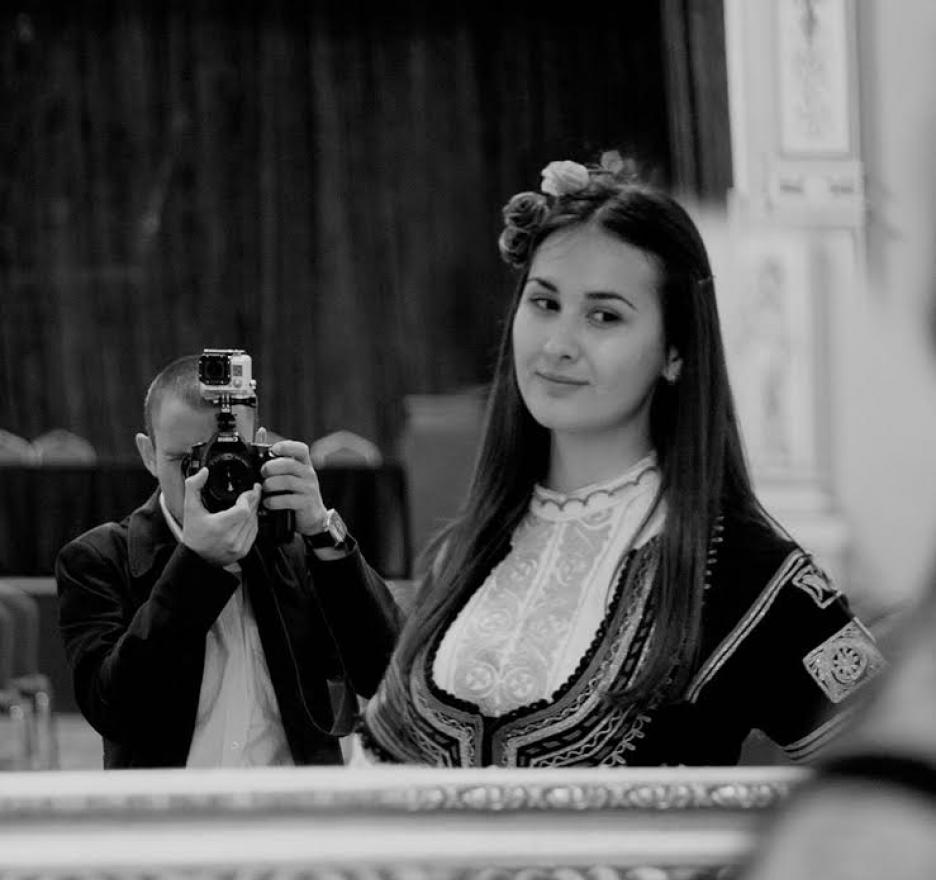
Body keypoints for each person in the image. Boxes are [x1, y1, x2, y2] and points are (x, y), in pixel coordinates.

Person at [354, 155, 885, 767]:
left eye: (604, 316)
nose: (558, 345)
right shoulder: (465, 552)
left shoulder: (749, 573)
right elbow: (377, 770)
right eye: (544, 303)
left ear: (675, 353)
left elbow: (898, 764)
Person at [55, 355, 399, 768]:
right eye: (183, 461)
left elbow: (388, 678)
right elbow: (114, 710)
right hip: (169, 807)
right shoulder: (98, 559)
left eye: (223, 457)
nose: (201, 478)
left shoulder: (295, 548)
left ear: (260, 448)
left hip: (295, 803)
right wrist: (196, 566)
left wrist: (323, 533)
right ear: (148, 454)